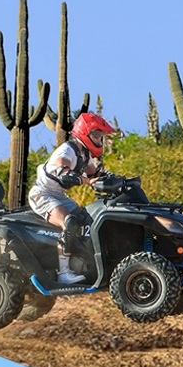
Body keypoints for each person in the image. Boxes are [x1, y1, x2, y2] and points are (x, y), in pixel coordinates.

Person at [28, 113, 117, 284]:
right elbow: (63, 174)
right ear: (85, 134)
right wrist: (88, 181)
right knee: (69, 222)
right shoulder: (68, 150)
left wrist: (118, 181)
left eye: (101, 137)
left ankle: (84, 261)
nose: (100, 140)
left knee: (86, 219)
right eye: (97, 136)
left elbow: (96, 174)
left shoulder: (84, 156)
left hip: (58, 195)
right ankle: (64, 273)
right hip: (43, 194)